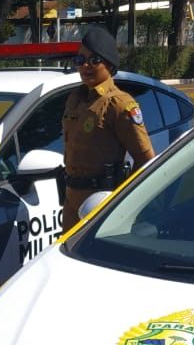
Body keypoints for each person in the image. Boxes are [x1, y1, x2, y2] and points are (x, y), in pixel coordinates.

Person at [60, 27, 152, 229]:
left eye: (94, 60)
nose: (85, 66)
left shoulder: (119, 104)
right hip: (71, 200)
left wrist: (125, 203)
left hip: (100, 202)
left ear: (109, 64)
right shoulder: (75, 99)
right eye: (80, 60)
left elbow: (145, 158)